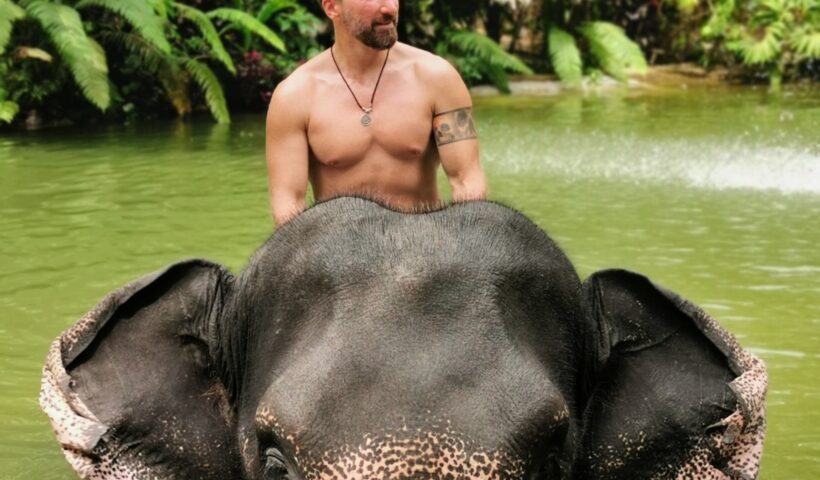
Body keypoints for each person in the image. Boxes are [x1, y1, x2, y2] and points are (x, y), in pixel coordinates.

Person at [266, 0, 487, 226]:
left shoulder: (437, 78)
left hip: (422, 240)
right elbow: (288, 202)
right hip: (341, 244)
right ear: (332, 7)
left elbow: (466, 180)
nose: (390, 8)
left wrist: (463, 240)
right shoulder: (294, 96)